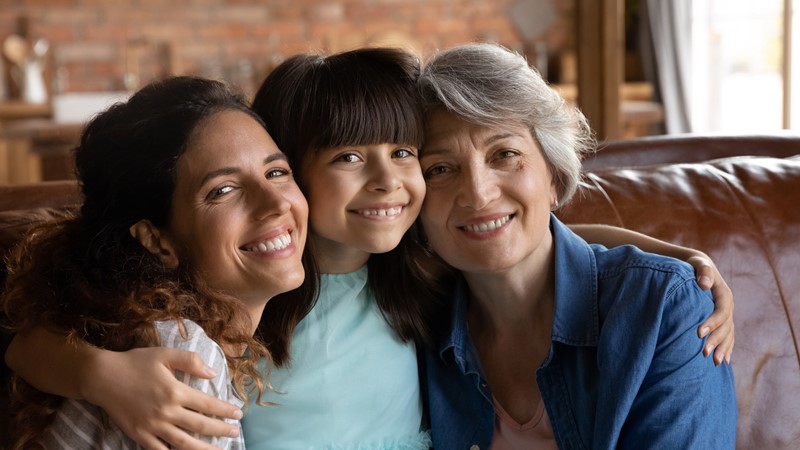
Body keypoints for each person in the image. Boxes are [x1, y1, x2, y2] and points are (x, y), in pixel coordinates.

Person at [4, 48, 735, 450]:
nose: (390, 181)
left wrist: (676, 261)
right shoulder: (253, 289)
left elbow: (524, 240)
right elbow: (39, 333)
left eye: (408, 154)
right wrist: (99, 373)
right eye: (349, 158)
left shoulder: (418, 268)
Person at [417, 42, 737, 448]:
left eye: (505, 154)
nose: (478, 194)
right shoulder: (412, 322)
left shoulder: (663, 310)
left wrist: (681, 266)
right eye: (440, 169)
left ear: (553, 177)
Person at [1, 76, 308, 449]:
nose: (276, 203)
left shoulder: (145, 330)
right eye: (222, 190)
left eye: (276, 172)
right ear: (157, 240)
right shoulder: (185, 359)